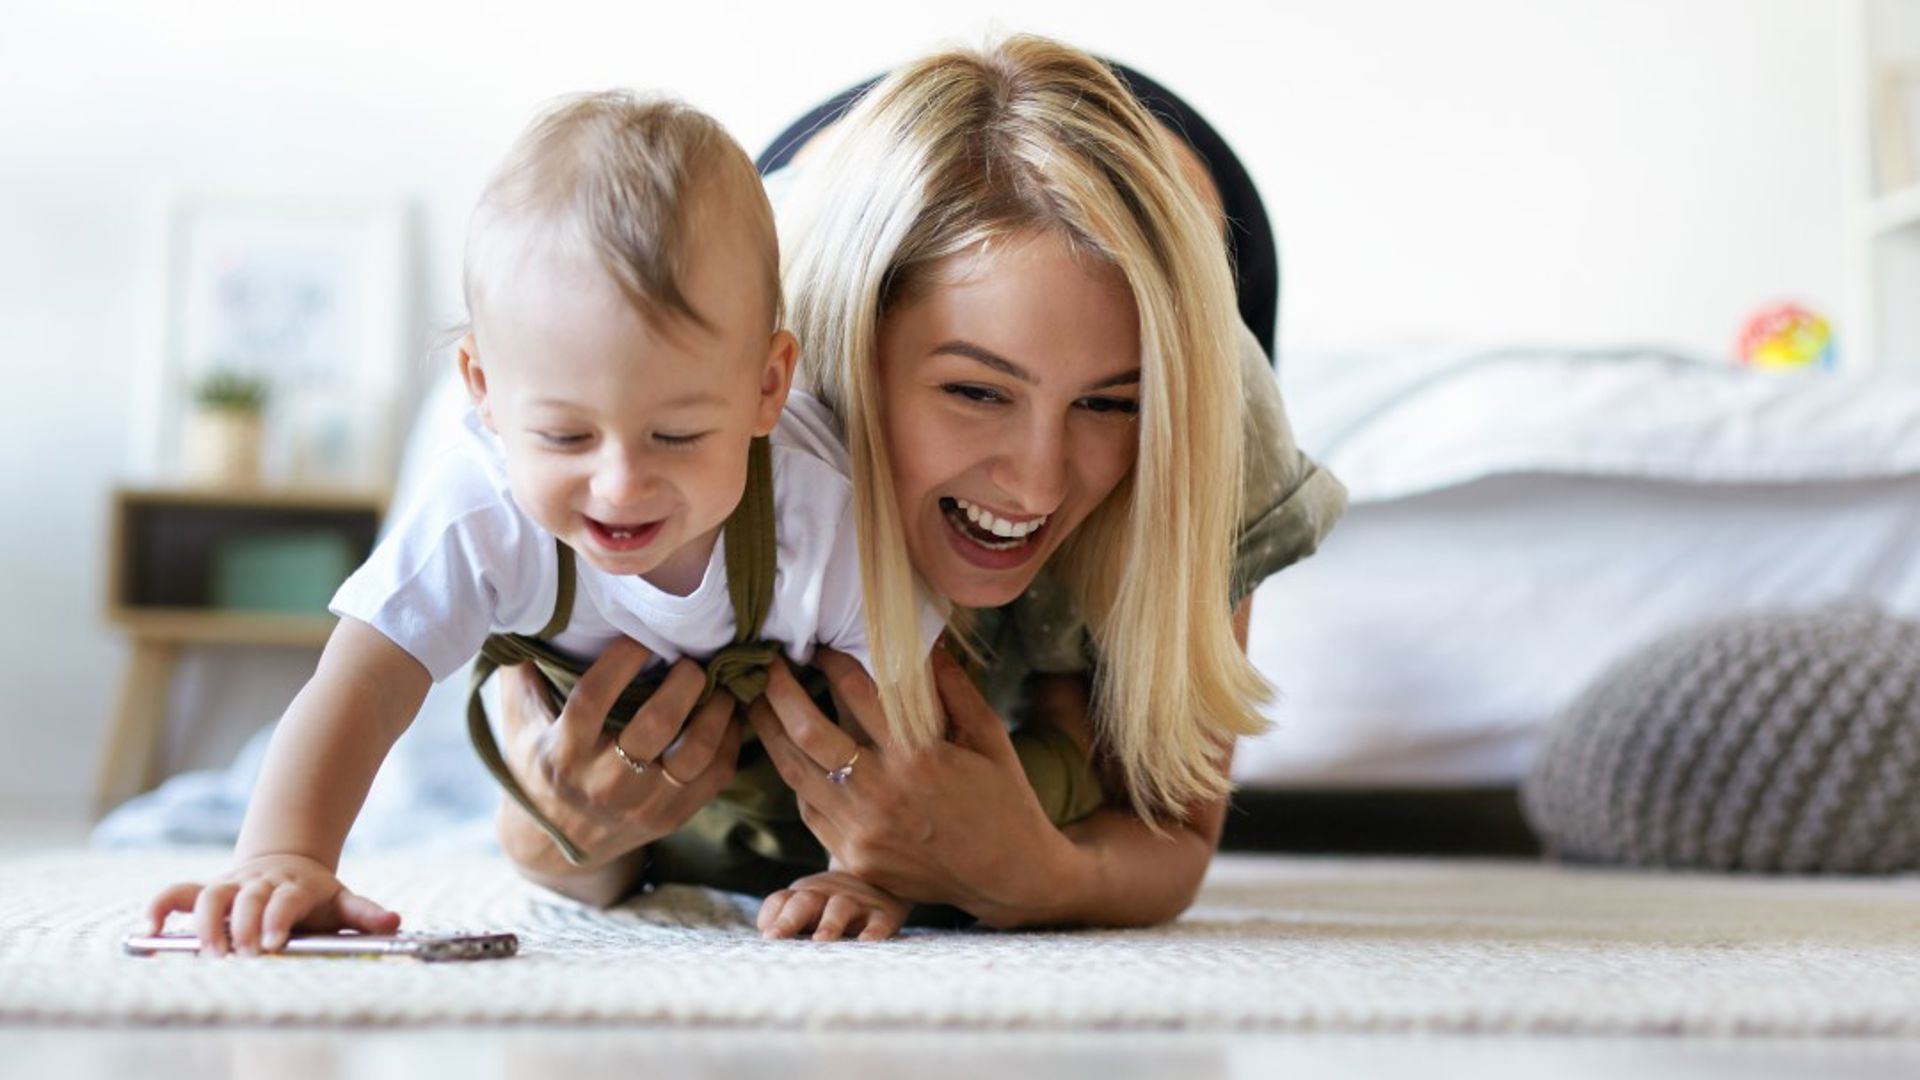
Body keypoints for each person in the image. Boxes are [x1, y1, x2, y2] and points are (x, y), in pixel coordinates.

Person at [490, 35, 1347, 937]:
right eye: (977, 391)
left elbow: (1170, 835)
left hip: (1178, 183)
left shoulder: (1209, 401)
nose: (1037, 483)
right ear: (825, 362)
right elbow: (549, 818)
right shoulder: (701, 379)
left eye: (1107, 403)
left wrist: (1039, 875)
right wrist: (551, 835)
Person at [141, 90, 944, 955]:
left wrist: (867, 872)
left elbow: (902, 717)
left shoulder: (819, 513)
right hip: (578, 767)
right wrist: (284, 855)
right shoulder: (478, 508)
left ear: (767, 386)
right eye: (566, 436)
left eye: (677, 435)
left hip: (784, 768)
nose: (620, 485)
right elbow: (362, 685)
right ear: (484, 391)